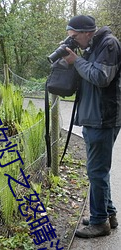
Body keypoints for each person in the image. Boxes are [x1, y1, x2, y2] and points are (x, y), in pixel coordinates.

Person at [63, 15, 121, 238]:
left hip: (103, 118)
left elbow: (100, 77)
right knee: (98, 171)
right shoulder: (92, 46)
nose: (74, 41)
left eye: (75, 37)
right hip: (93, 117)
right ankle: (108, 214)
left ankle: (99, 223)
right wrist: (73, 60)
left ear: (87, 32)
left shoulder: (109, 44)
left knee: (96, 171)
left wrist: (76, 61)